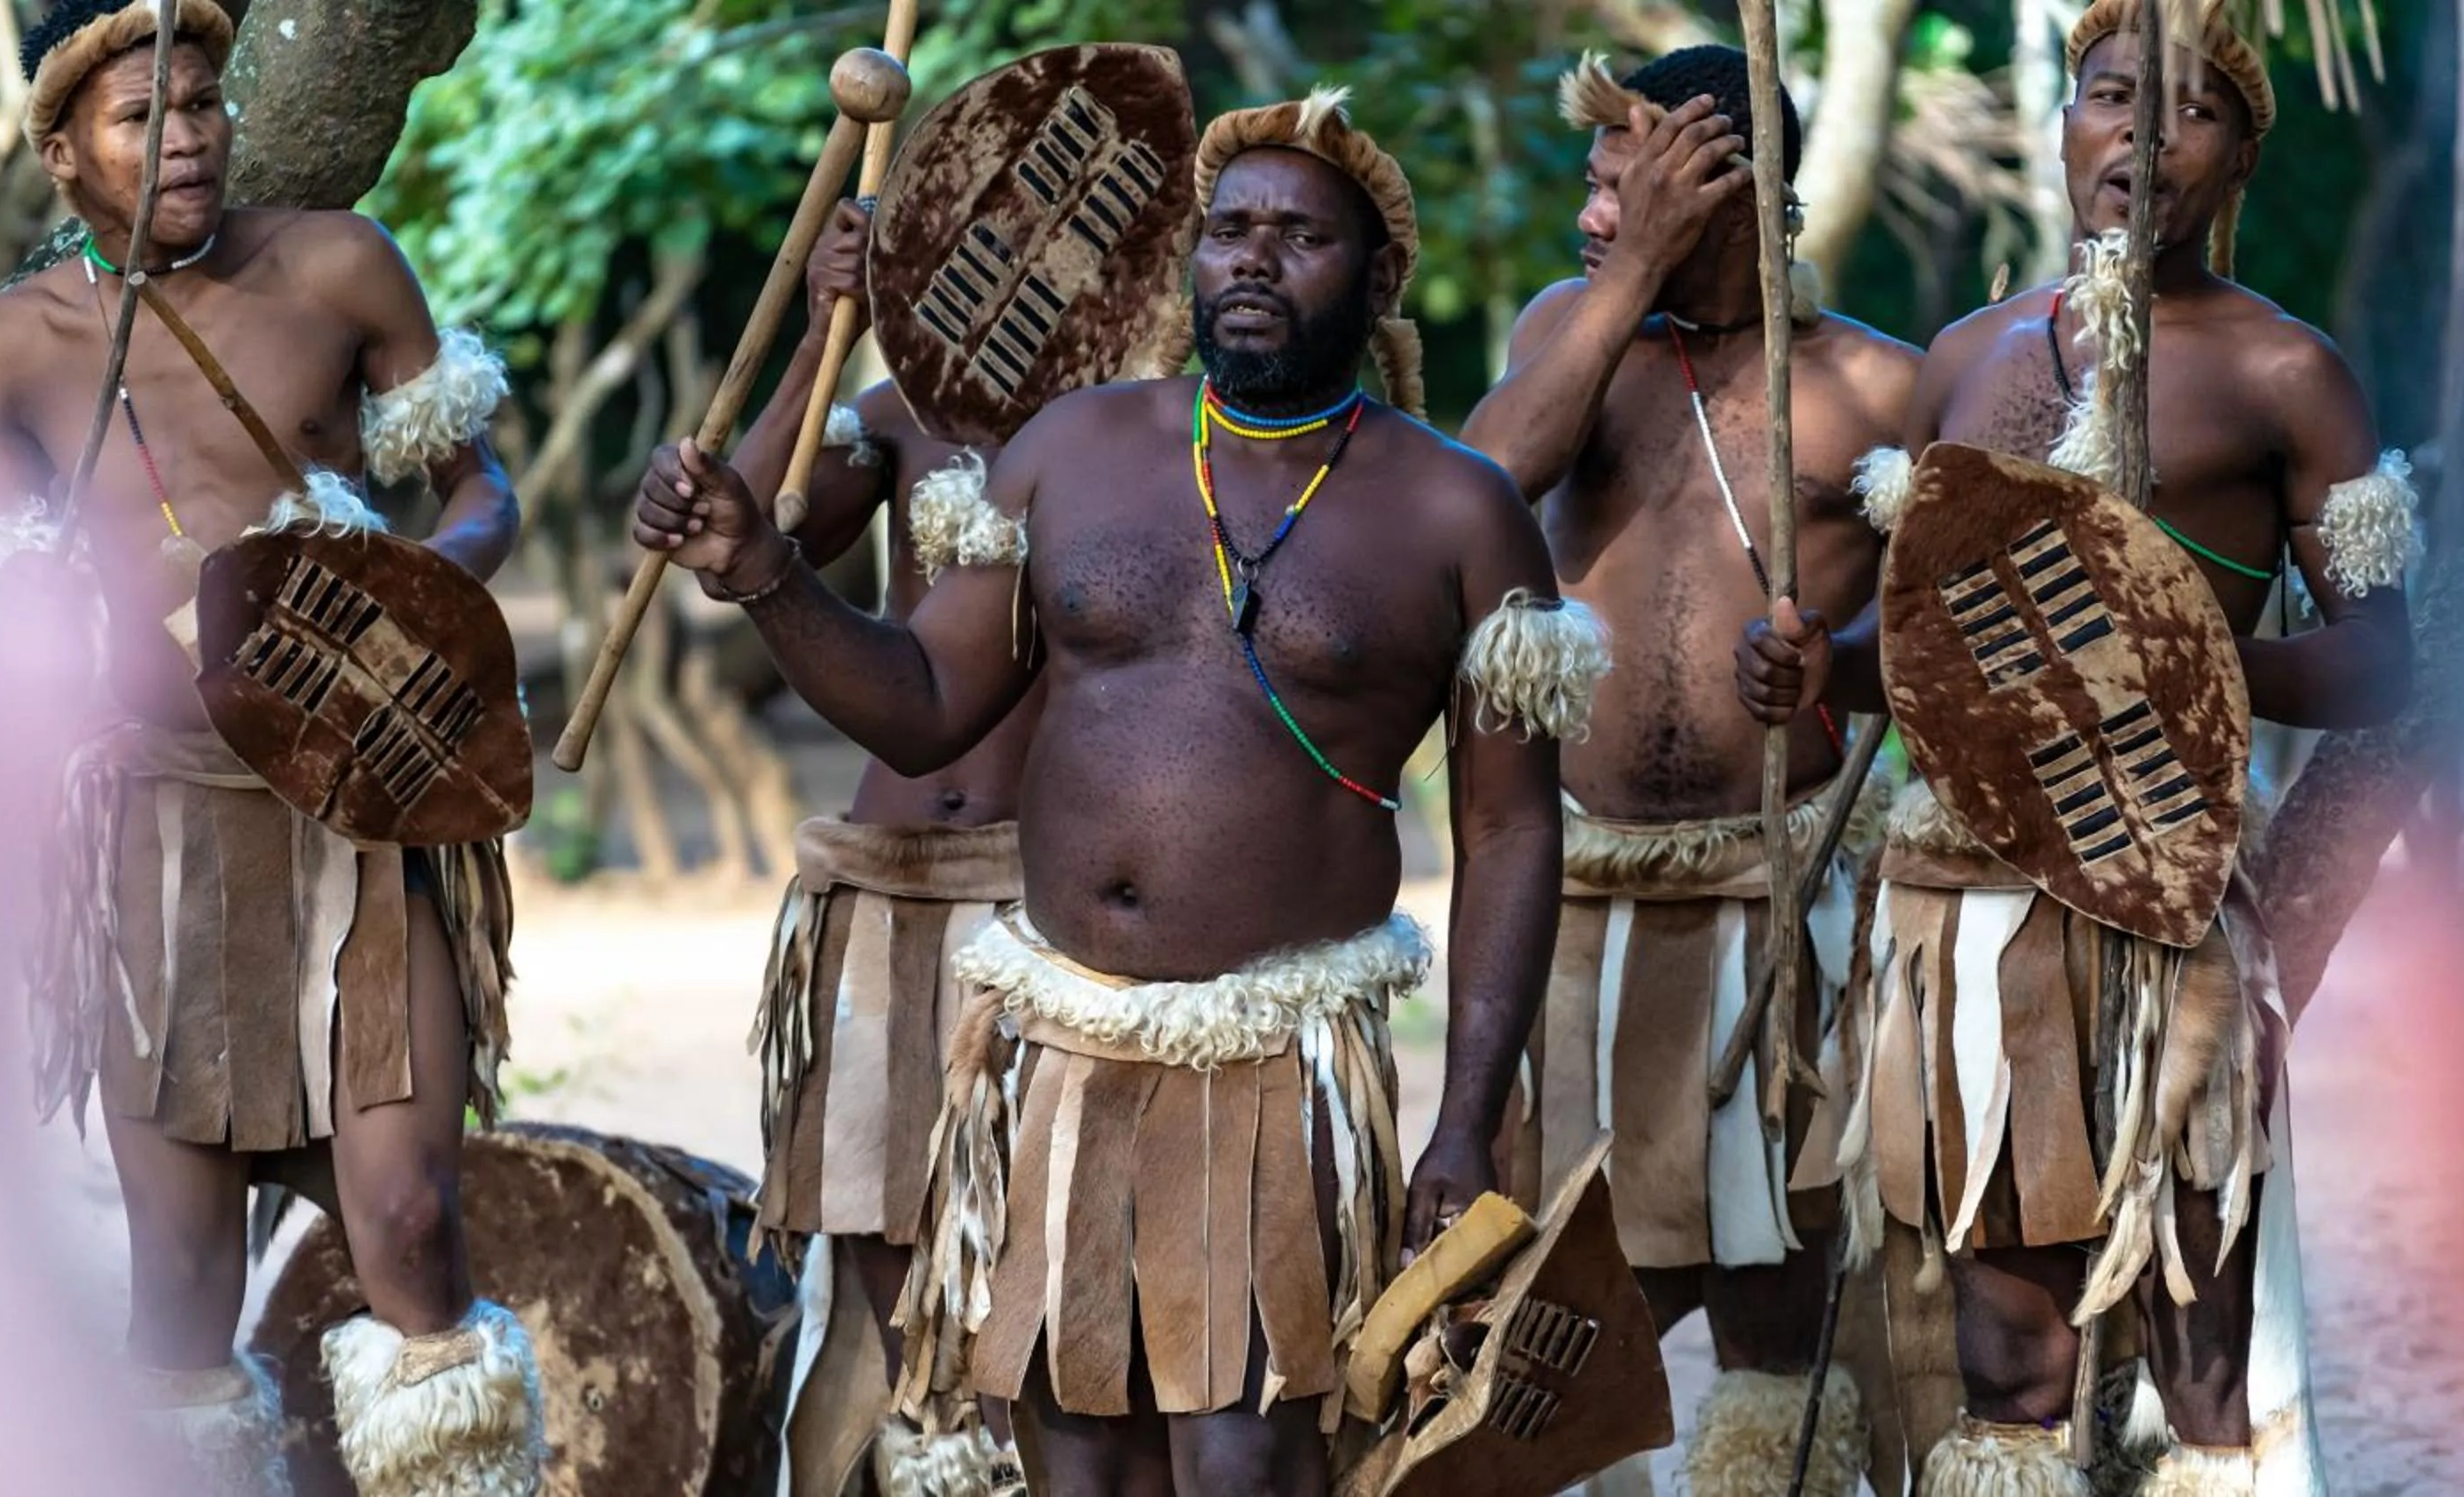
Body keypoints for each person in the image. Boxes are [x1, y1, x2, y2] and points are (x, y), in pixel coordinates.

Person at [634, 89, 1601, 1497]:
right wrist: (765, 576)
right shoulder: (1071, 453)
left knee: (1246, 1461)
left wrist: (1468, 1112)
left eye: (1300, 238)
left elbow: (1515, 829)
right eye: (1228, 233)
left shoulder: (1456, 512)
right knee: (1077, 1457)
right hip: (1059, 1052)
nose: (1254, 262)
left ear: (1377, 275)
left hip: (1278, 1064)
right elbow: (924, 709)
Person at [1734, 1, 2416, 1491]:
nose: (2141, 135)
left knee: (2200, 1342)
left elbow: (2381, 659)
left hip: (2162, 897)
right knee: (2011, 1353)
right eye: (2111, 96)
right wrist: (1813, 672)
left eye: (2189, 112)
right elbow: (1917, 660)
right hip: (1964, 911)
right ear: (2063, 125)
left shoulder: (2288, 375)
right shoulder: (1968, 357)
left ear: (2237, 159)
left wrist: (2194, 657)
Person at [0, 4, 543, 1492]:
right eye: (147, 117)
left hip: (362, 812)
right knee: (181, 1299)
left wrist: (414, 587)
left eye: (204, 103)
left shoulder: (335, 264)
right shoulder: (5, 355)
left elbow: (481, 487)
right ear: (65, 152)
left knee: (407, 1227)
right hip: (156, 835)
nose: (190, 136)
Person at [1459, 44, 1919, 1497]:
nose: (1597, 214)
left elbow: (1950, 643)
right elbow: (1475, 485)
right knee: (1569, 1295)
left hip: (1775, 892)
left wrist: (1832, 667)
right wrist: (1624, 276)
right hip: (1583, 893)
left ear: (1733, 190)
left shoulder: (1873, 385)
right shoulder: (1569, 330)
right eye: (1600, 186)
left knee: (1777, 1274)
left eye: (1629, 188)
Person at [716, 200, 1041, 1495]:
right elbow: (745, 530)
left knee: (1011, 1270)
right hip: (886, 896)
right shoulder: (903, 414)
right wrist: (822, 334)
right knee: (882, 1266)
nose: (1005, 284)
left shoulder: (1152, 430)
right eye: (974, 253)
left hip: (1046, 918)